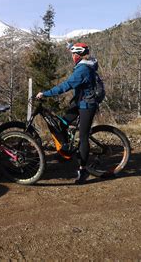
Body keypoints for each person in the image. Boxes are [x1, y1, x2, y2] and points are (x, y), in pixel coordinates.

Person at [36, 42, 98, 185]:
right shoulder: (85, 64)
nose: (72, 57)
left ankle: (83, 171)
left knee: (83, 137)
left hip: (87, 105)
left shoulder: (83, 69)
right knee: (62, 123)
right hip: (79, 102)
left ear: (78, 55)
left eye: (73, 54)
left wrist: (46, 93)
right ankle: (66, 152)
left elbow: (66, 85)